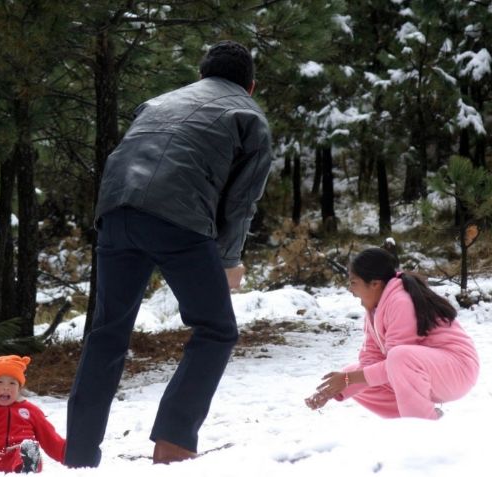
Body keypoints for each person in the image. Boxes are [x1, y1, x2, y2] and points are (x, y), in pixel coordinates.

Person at [64, 39, 273, 467]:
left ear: (201, 75)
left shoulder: (156, 103)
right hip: (178, 217)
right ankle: (174, 446)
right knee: (216, 329)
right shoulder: (249, 115)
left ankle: (80, 457)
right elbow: (240, 203)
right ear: (250, 86)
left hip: (116, 210)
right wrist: (229, 260)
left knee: (106, 335)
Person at [305, 247, 480, 419]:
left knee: (393, 360)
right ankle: (419, 416)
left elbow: (398, 362)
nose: (350, 289)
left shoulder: (401, 302)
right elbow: (370, 361)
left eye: (353, 282)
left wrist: (348, 379)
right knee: (352, 373)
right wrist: (331, 390)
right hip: (427, 370)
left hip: (458, 370)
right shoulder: (375, 308)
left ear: (375, 284)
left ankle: (421, 427)